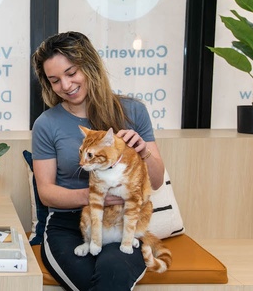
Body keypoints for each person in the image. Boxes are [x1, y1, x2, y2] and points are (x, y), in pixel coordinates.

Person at [31, 31, 166, 290]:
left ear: (89, 66)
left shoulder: (133, 112)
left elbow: (157, 181)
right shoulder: (46, 125)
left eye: (71, 73)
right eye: (55, 80)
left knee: (113, 272)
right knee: (93, 280)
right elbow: (46, 193)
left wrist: (143, 151)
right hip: (70, 225)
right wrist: (95, 196)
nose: (66, 86)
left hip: (123, 221)